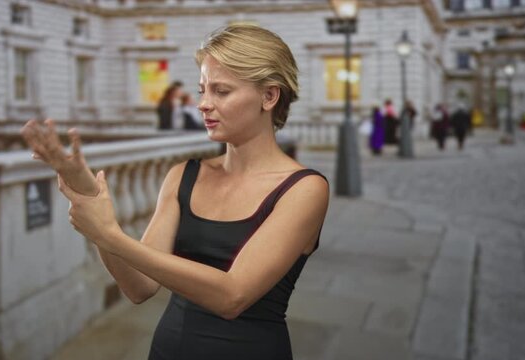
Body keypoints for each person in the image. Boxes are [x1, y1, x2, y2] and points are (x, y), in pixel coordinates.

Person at [20, 24, 329, 360]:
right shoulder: (184, 175)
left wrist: (110, 236)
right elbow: (138, 286)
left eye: (221, 91)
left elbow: (232, 296)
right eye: (202, 90)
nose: (203, 105)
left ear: (269, 96)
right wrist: (86, 191)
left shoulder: (305, 189)